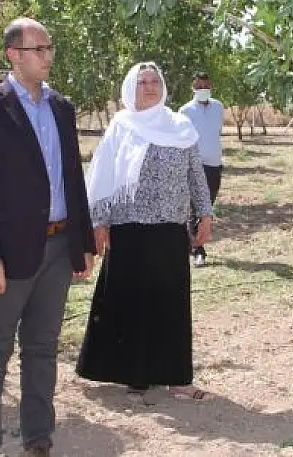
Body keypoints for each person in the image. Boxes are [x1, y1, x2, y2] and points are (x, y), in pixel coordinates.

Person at [0, 18, 96, 457]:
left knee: (42, 348)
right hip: (6, 255)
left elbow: (73, 179)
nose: (48, 55)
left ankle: (38, 439)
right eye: (39, 48)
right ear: (14, 55)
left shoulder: (61, 108)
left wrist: (82, 243)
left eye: (49, 47)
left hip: (56, 247)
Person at [76, 61, 214, 400]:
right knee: (130, 301)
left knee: (171, 303)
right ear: (130, 89)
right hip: (128, 229)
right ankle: (134, 375)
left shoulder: (181, 126)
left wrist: (205, 215)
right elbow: (103, 177)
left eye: (154, 81)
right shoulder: (122, 126)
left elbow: (196, 174)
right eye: (142, 82)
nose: (149, 86)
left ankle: (178, 378)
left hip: (169, 229)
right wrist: (99, 223)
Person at [179, 71, 225, 267]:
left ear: (211, 86)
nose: (203, 90)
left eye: (206, 86)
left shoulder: (218, 107)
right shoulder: (185, 111)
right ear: (193, 88)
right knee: (196, 207)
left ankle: (191, 244)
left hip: (215, 165)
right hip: (195, 166)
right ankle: (198, 250)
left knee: (208, 204)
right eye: (199, 87)